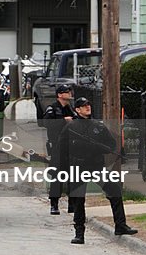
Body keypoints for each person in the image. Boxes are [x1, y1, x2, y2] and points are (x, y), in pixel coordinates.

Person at [60, 97, 138, 244]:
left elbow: (111, 143)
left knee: (114, 191)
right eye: (83, 106)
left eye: (88, 104)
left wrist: (101, 148)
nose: (87, 107)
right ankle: (79, 233)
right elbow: (62, 148)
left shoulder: (98, 126)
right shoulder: (71, 127)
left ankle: (120, 225)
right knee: (78, 200)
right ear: (77, 110)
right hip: (78, 166)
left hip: (96, 165)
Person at [42, 83, 76, 215]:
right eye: (67, 92)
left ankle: (72, 203)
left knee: (72, 175)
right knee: (57, 176)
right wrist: (63, 120)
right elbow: (46, 123)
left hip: (71, 146)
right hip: (57, 146)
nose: (69, 94)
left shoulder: (70, 108)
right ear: (60, 95)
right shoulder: (52, 108)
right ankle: (54, 204)